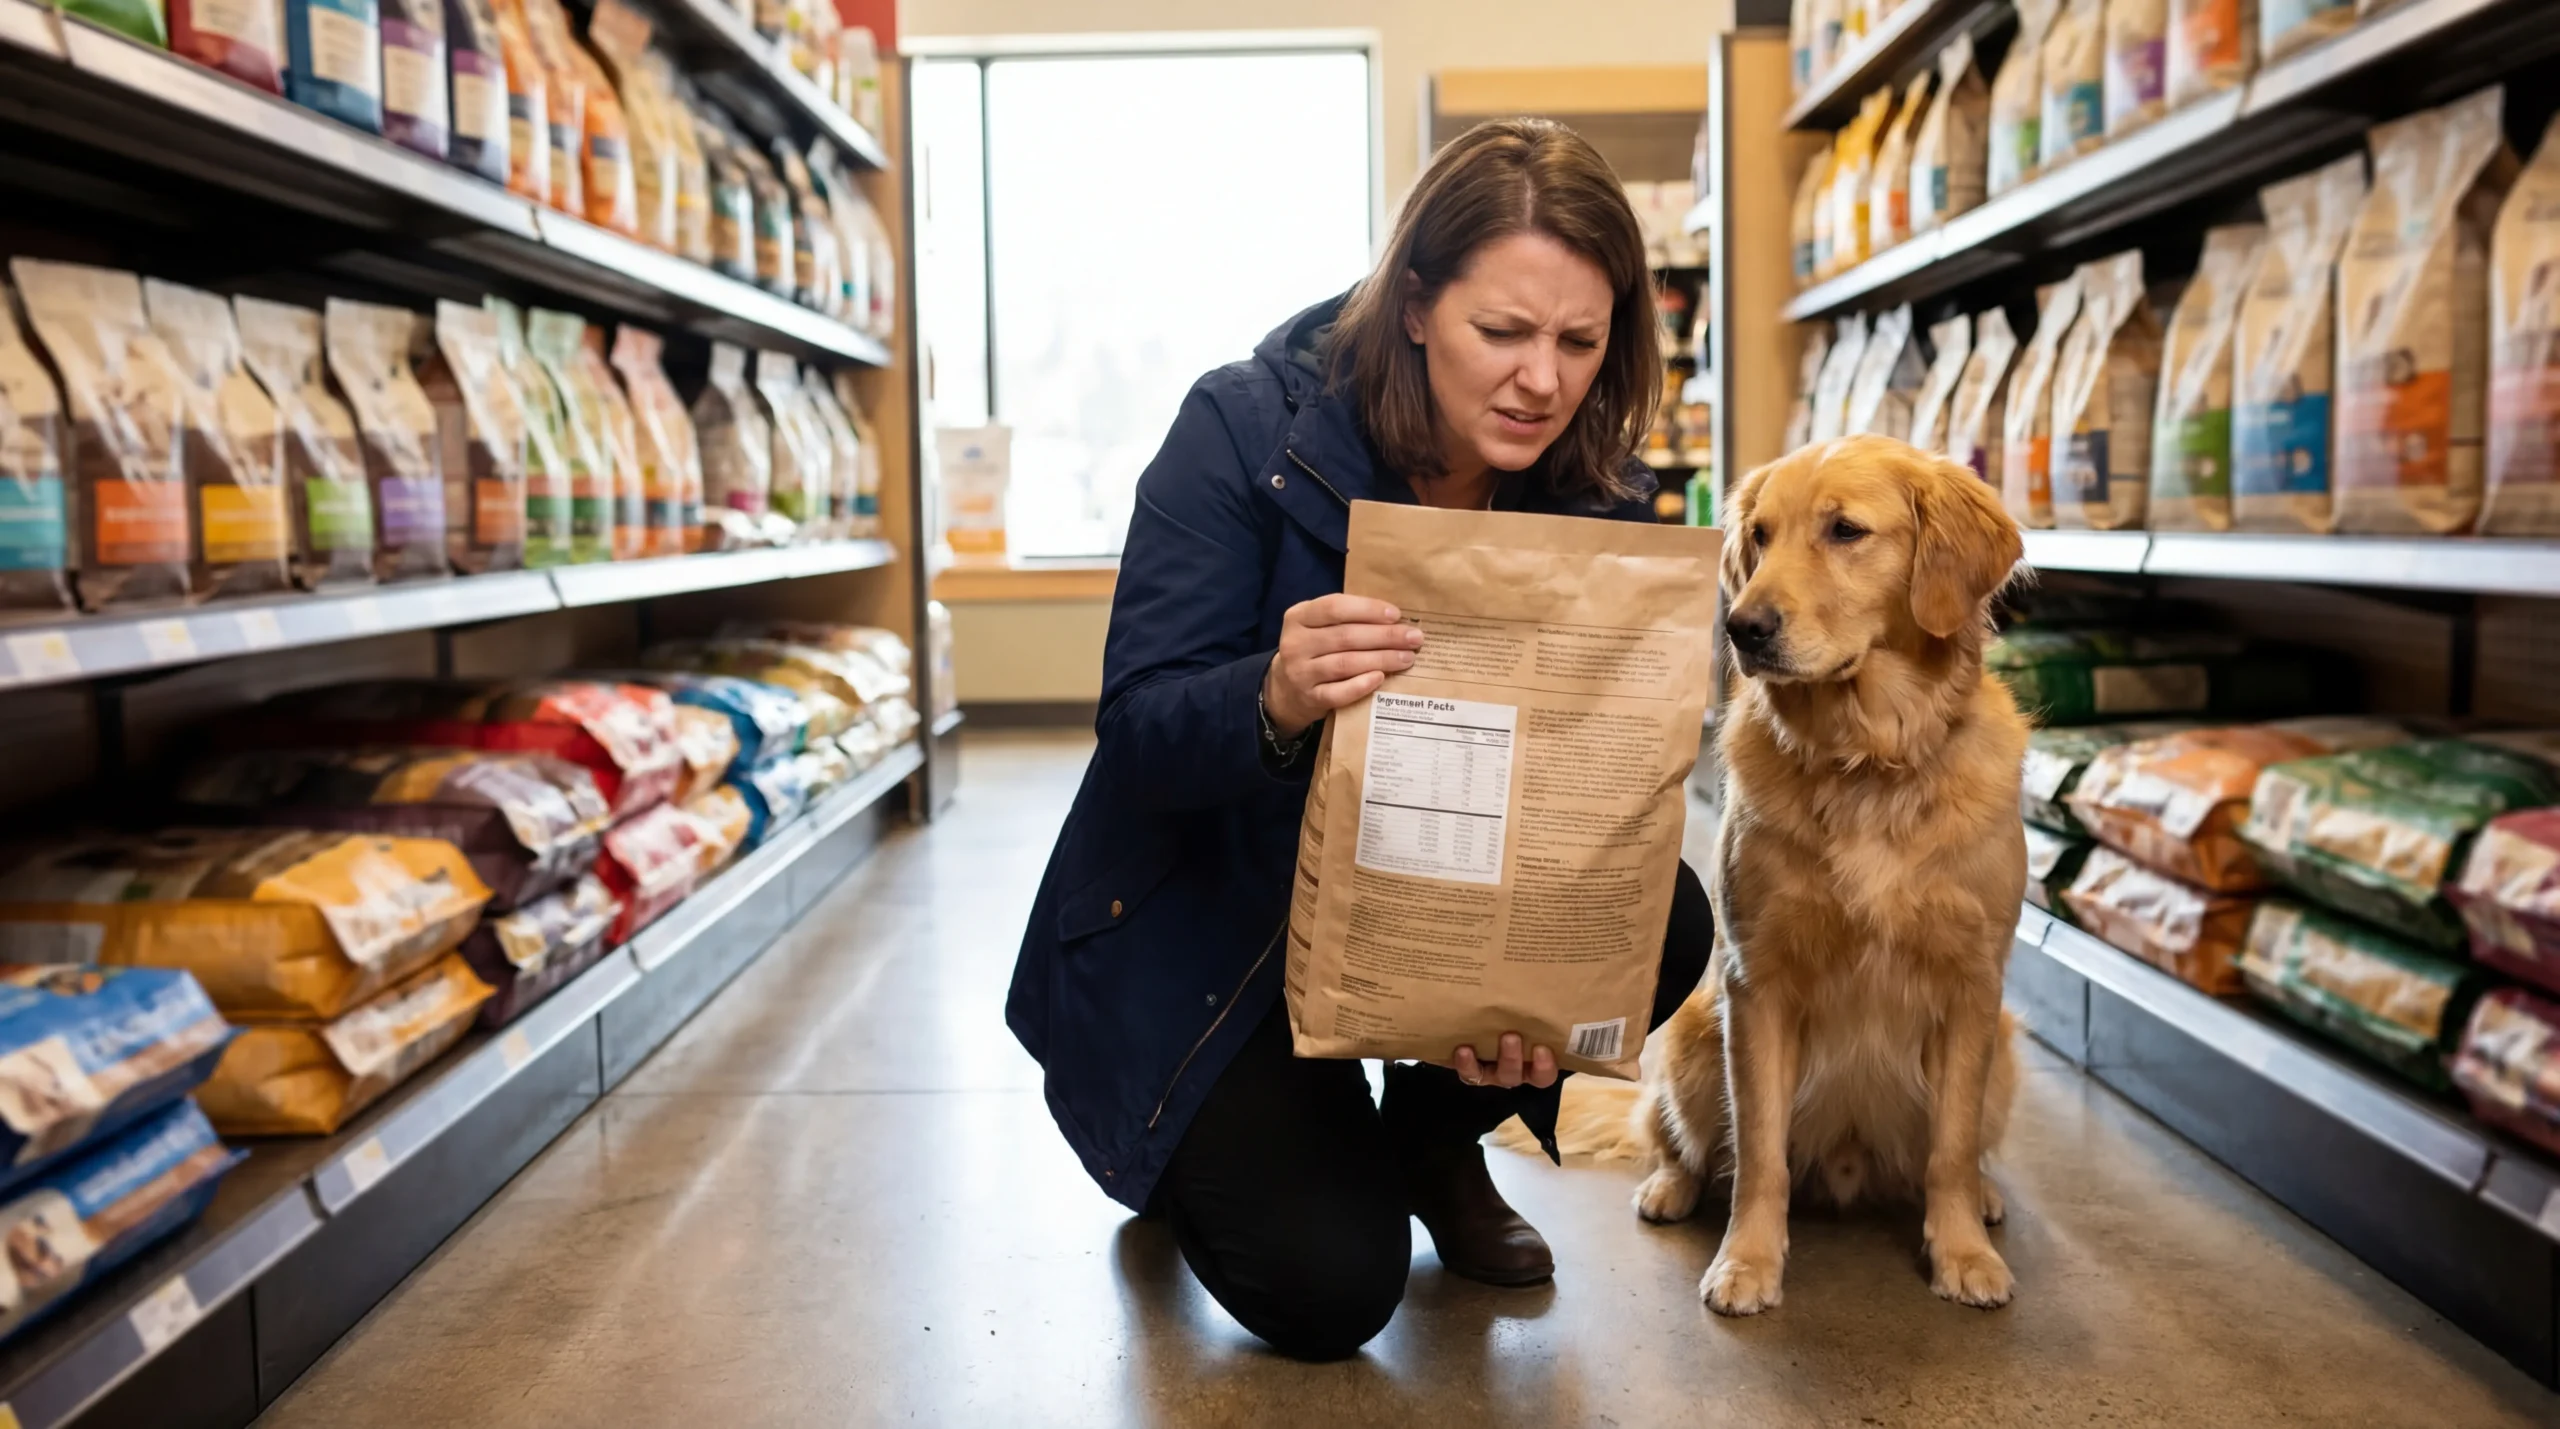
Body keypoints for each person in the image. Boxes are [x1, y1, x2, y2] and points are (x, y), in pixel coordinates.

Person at [1005, 118, 1715, 1361]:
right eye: (1504, 331)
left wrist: (1533, 997)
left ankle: (1434, 1147)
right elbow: (1138, 730)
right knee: (1331, 1293)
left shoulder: (1589, 484)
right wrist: (1274, 694)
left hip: (1429, 886)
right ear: (1415, 307)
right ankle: (1175, 1146)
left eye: (1578, 342)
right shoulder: (1238, 430)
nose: (1542, 381)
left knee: (1668, 918)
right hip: (1220, 931)